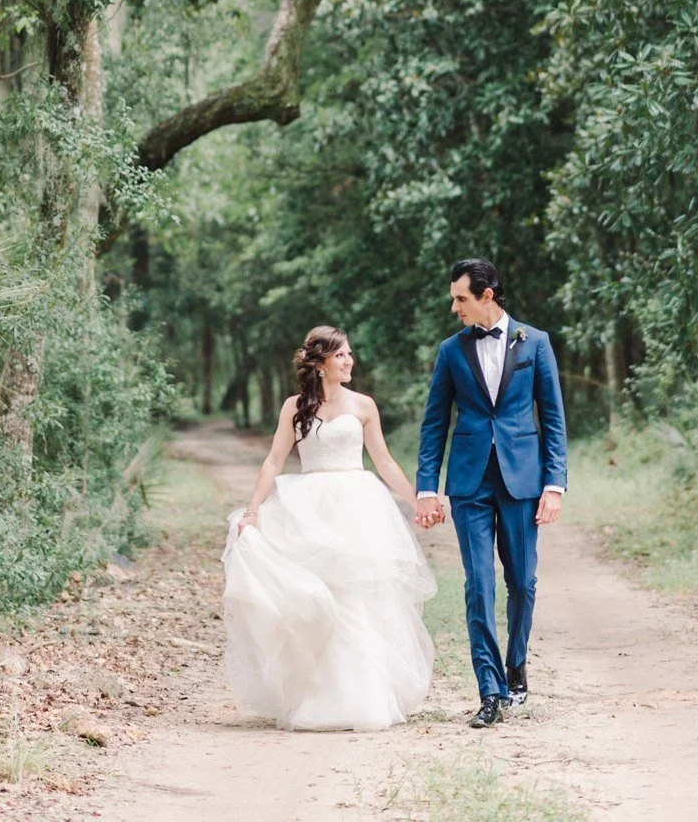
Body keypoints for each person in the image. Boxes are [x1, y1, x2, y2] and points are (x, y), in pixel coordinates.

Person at [222, 325, 436, 731]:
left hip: (357, 505)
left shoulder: (364, 406)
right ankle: (319, 697)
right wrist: (252, 511)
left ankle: (366, 696)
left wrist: (417, 499)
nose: (349, 361)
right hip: (310, 506)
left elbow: (385, 462)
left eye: (350, 354)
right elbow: (273, 461)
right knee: (320, 599)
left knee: (358, 598)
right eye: (341, 356)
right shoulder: (294, 406)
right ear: (320, 363)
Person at [414, 258, 568, 728]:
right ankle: (490, 691)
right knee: (478, 584)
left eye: (461, 298)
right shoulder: (450, 351)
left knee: (522, 581)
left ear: (487, 295)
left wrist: (554, 484)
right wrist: (426, 488)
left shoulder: (534, 342)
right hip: (469, 482)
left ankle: (515, 667)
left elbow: (554, 419)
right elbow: (435, 422)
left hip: (523, 479)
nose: (454, 307)